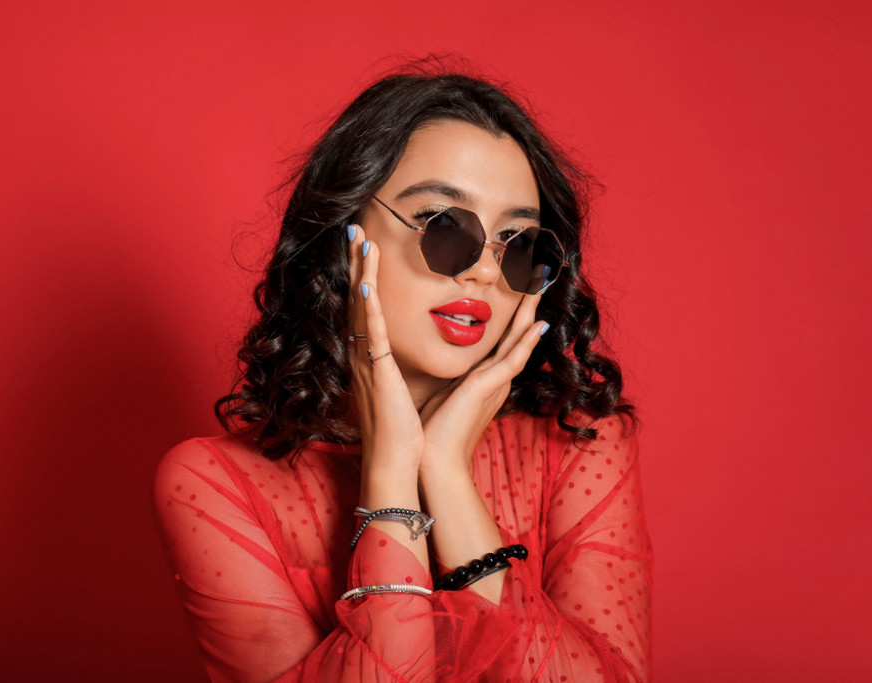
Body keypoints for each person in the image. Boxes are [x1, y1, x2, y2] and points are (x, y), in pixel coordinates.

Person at [154, 67, 652, 682]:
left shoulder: (580, 444)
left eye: (517, 240)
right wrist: (391, 472)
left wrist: (445, 473)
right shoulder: (215, 486)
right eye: (443, 224)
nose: (484, 271)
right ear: (344, 236)